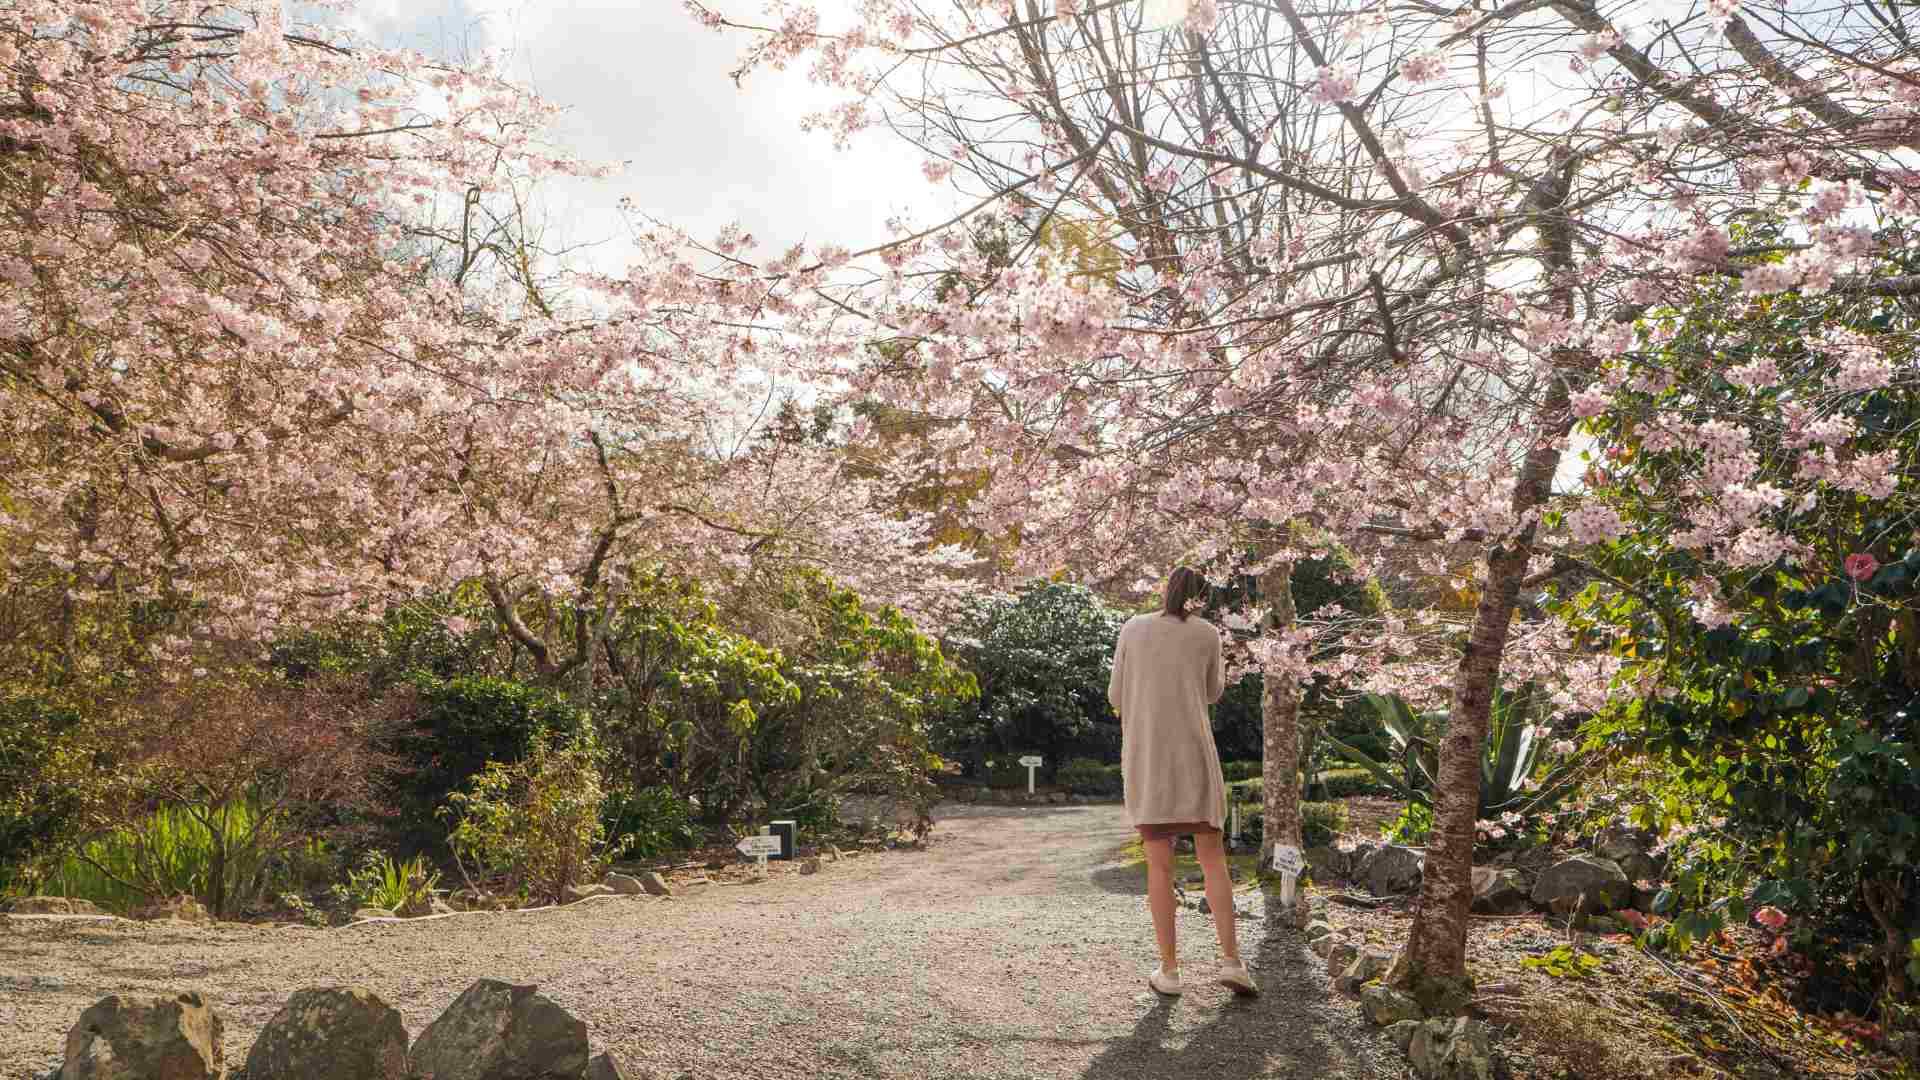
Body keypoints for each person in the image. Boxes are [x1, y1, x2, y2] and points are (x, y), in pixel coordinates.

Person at [1108, 566, 1258, 998]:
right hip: (1195, 755)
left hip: (1149, 758)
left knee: (1160, 864)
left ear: (1166, 590)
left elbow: (1116, 695)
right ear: (1203, 597)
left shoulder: (1132, 629)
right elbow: (1213, 693)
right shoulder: (1208, 634)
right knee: (1213, 859)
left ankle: (1170, 972)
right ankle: (1233, 962)